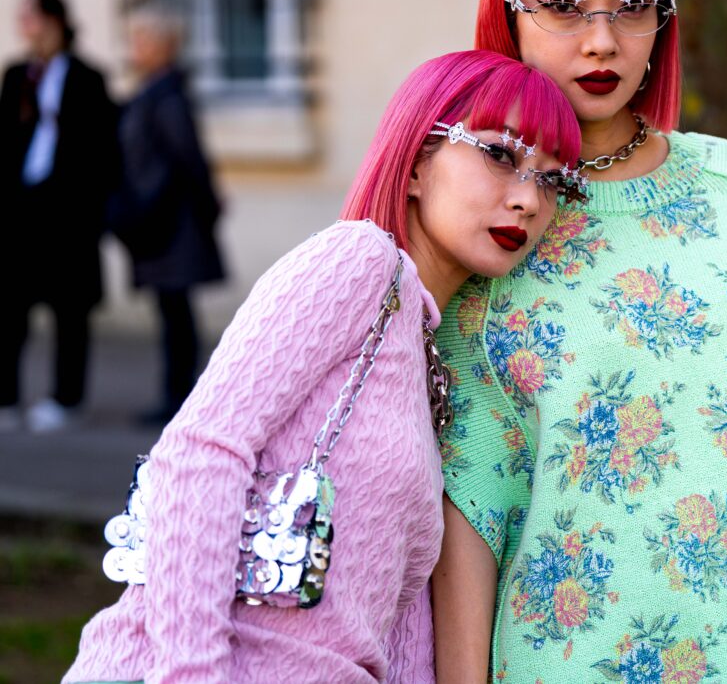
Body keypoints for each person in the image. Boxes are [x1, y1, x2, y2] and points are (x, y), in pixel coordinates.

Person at [431, 0, 727, 683]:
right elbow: (472, 522)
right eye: (563, 6)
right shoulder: (494, 226)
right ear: (508, 12)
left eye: (632, 8)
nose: (602, 40)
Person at [62, 49, 581, 684]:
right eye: (501, 154)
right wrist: (191, 675)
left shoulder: (422, 352)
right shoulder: (358, 261)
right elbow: (201, 452)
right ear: (416, 162)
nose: (529, 199)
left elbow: (390, 620)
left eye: (554, 179)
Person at [0, 0, 119, 433]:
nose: (24, 25)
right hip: (20, 209)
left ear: (53, 20)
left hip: (67, 213)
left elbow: (101, 149)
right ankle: (7, 397)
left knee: (70, 310)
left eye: (29, 16)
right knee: (10, 309)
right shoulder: (17, 74)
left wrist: (92, 210)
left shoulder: (86, 77)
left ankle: (66, 398)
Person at [109, 4, 226, 425]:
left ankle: (179, 396)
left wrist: (205, 208)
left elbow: (188, 161)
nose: (133, 48)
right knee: (171, 309)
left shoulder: (167, 97)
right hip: (160, 223)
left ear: (164, 46)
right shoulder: (153, 92)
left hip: (170, 224)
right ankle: (176, 394)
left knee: (176, 311)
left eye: (141, 39)